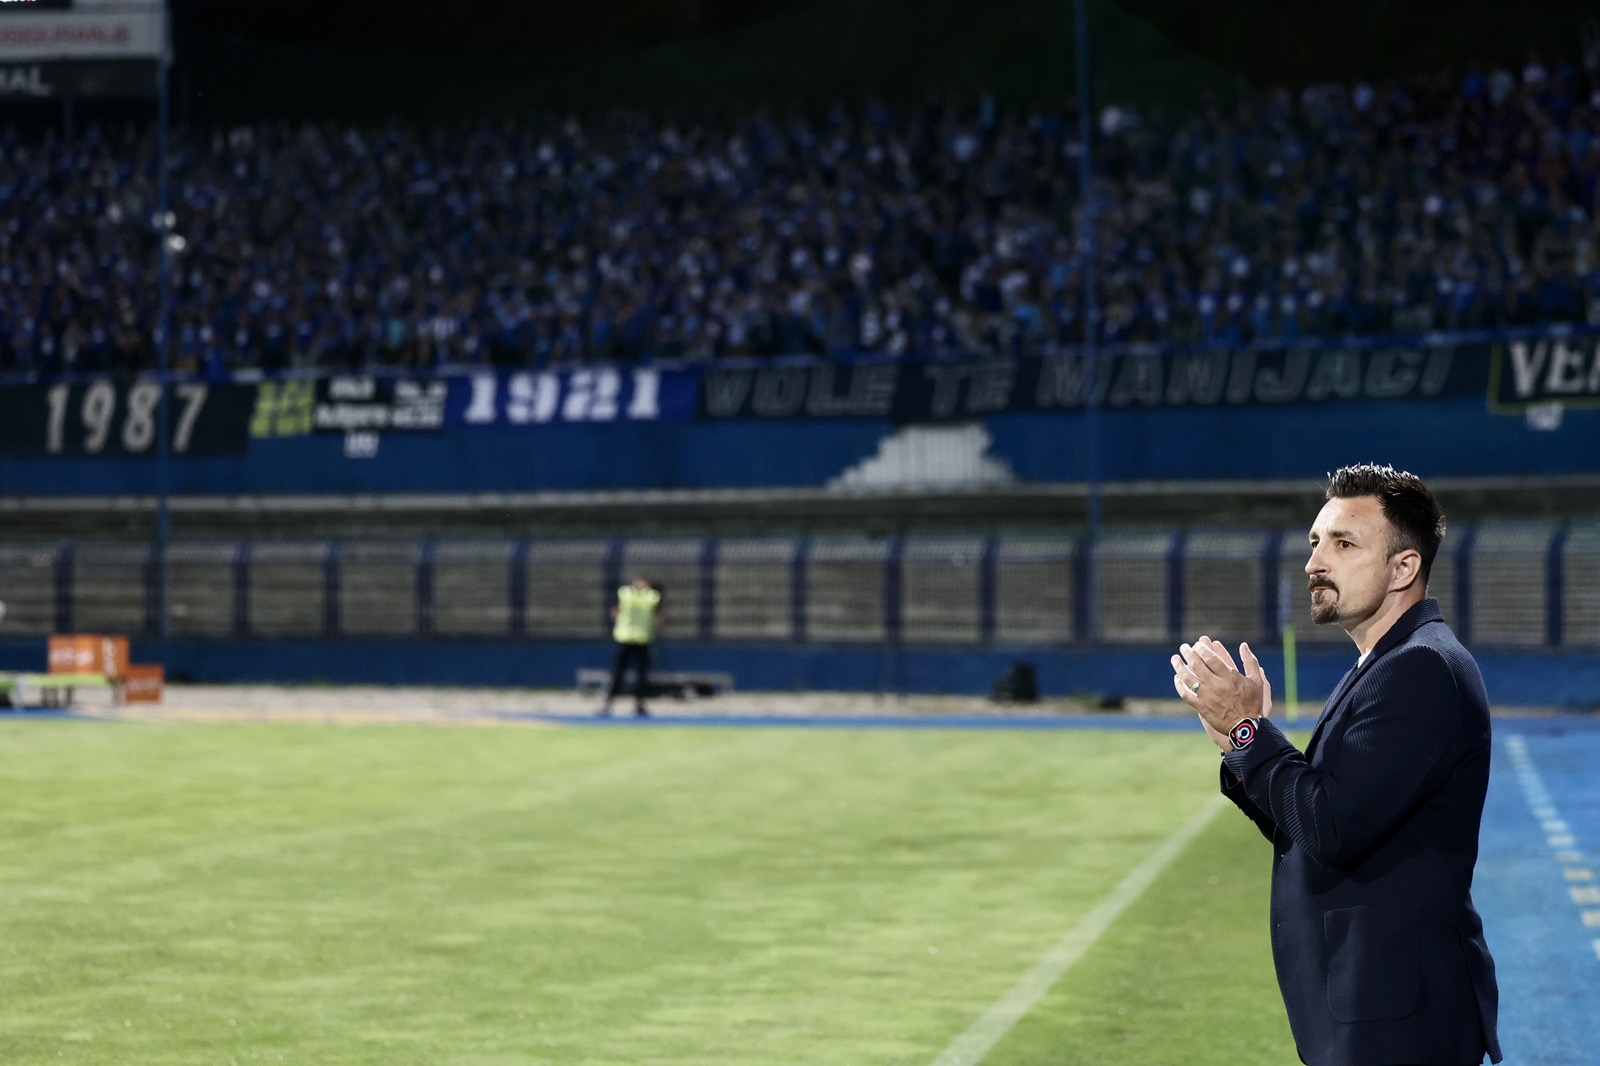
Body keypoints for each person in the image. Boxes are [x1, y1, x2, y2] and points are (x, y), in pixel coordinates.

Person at [1170, 463, 1501, 1066]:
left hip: (1396, 1013)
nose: (1314, 562)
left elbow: (1333, 825)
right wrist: (1238, 742)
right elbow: (1315, 817)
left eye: (1343, 544)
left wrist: (1250, 732)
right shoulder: (1388, 662)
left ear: (1405, 568)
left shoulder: (1417, 670)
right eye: (1315, 543)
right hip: (1378, 1000)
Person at [598, 577, 662, 718]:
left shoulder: (651, 597)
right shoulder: (627, 594)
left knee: (641, 676)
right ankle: (609, 703)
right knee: (618, 674)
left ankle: (639, 704)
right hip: (626, 639)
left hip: (642, 640)